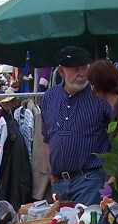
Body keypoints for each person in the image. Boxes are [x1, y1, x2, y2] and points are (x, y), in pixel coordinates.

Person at [40, 45, 112, 206]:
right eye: (75, 69)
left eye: (84, 68)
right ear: (61, 72)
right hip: (59, 184)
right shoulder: (49, 97)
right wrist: (53, 177)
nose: (81, 74)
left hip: (91, 181)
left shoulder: (100, 95)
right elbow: (47, 139)